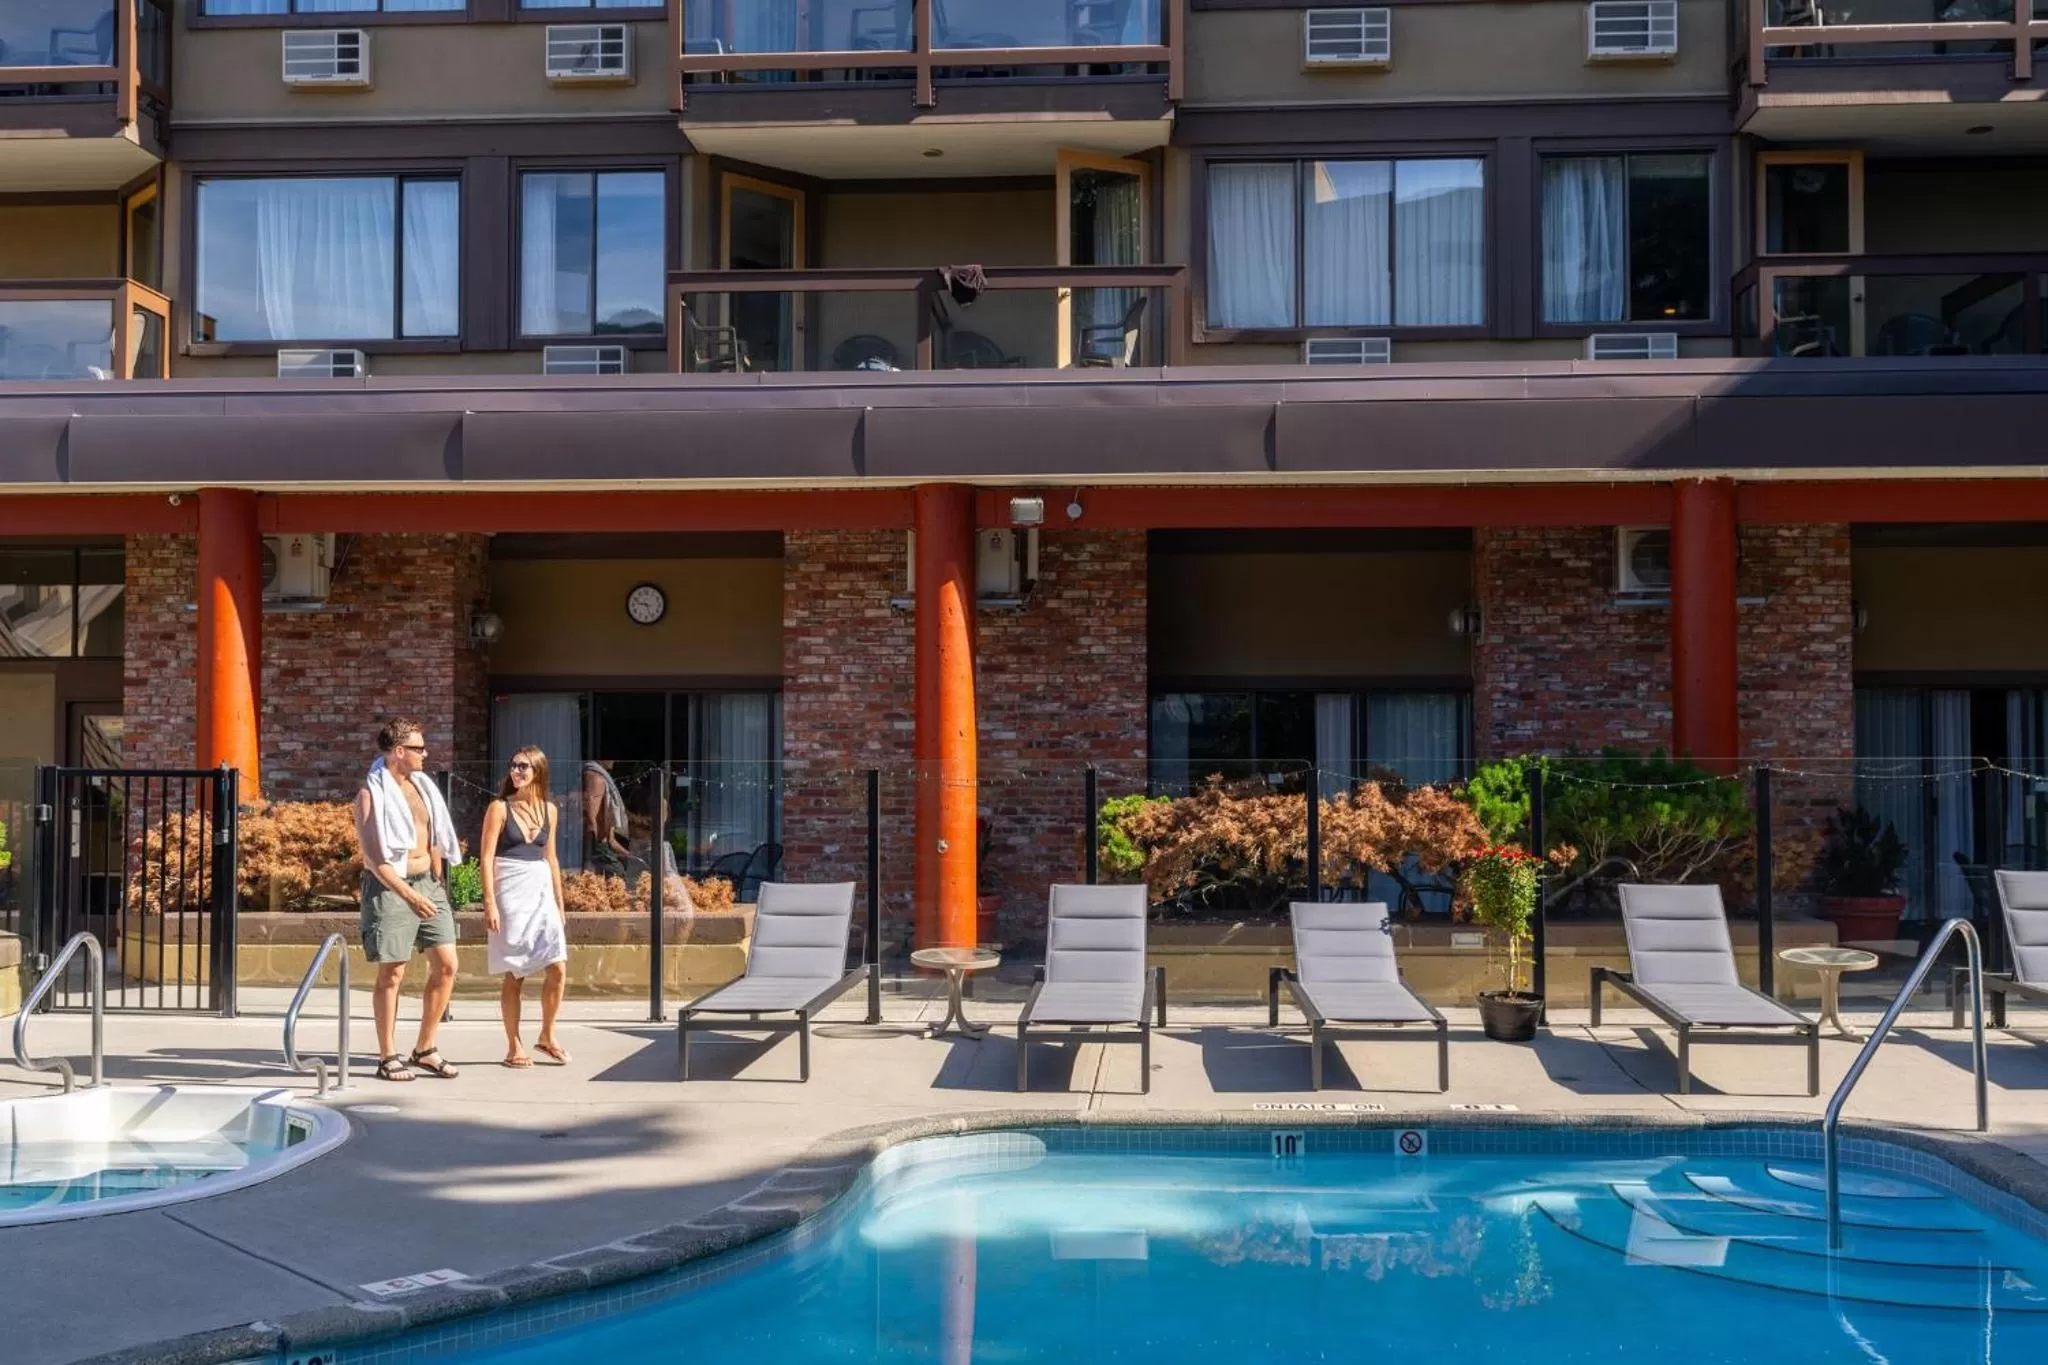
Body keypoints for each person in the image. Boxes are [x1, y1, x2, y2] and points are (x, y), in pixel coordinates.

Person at [352, 718, 462, 1082]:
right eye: (418, 748)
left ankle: (426, 1048)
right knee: (392, 972)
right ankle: (387, 1055)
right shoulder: (371, 794)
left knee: (447, 964)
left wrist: (436, 879)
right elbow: (374, 860)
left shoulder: (423, 787)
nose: (425, 754)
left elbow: (433, 837)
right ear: (399, 751)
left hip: (427, 883)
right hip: (392, 886)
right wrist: (409, 895)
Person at [481, 746, 570, 1068]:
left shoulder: (550, 810)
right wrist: (489, 902)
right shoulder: (499, 808)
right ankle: (513, 1045)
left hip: (541, 888)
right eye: (513, 765)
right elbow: (487, 856)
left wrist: (561, 904)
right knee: (515, 971)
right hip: (510, 889)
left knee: (557, 966)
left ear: (538, 772)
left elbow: (552, 858)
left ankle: (547, 1035)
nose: (516, 772)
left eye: (523, 767)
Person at [582, 759, 630, 877]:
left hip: (602, 847)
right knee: (618, 876)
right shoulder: (594, 778)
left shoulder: (603, 779)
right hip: (594, 847)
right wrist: (588, 859)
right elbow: (590, 819)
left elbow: (611, 840)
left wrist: (633, 857)